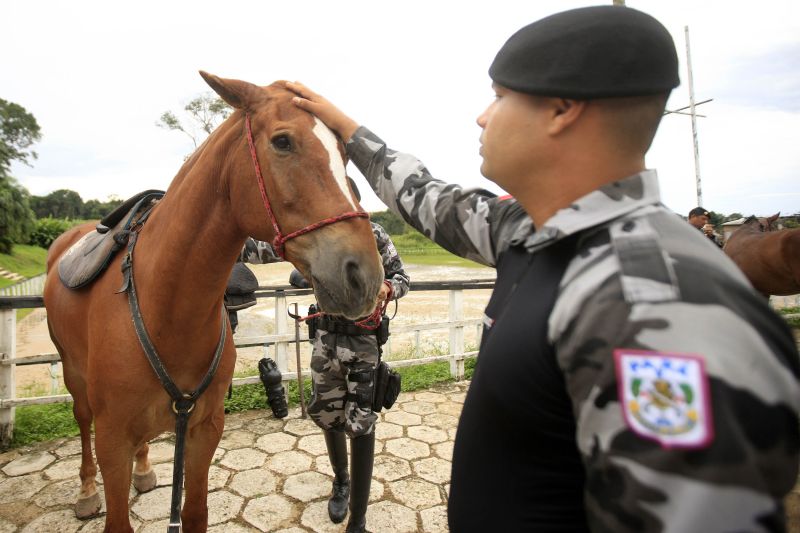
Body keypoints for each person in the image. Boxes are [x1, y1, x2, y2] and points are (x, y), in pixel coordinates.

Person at [284, 5, 800, 532]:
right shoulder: (531, 230)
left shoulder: (658, 308)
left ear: (562, 109)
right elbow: (426, 197)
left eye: (501, 96)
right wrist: (346, 129)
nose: (483, 116)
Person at [240, 182, 410, 533]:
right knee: (327, 414)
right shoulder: (314, 233)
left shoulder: (374, 235)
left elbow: (403, 277)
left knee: (361, 421)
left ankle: (359, 520)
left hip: (363, 344)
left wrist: (388, 287)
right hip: (324, 341)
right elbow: (264, 249)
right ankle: (341, 483)